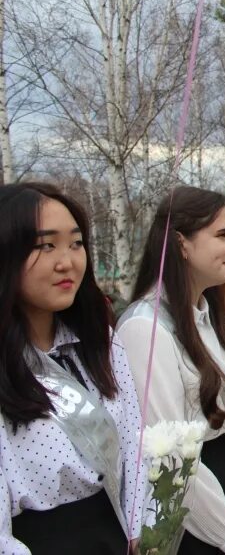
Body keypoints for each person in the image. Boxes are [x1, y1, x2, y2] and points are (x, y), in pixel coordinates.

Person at [118, 186, 225, 555]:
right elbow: (172, 457)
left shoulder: (211, 319)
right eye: (223, 235)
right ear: (181, 244)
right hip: (198, 516)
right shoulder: (145, 328)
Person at [0, 183, 146, 554]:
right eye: (46, 245)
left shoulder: (100, 343)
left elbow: (134, 440)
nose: (67, 261)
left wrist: (141, 527)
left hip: (116, 536)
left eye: (76, 243)